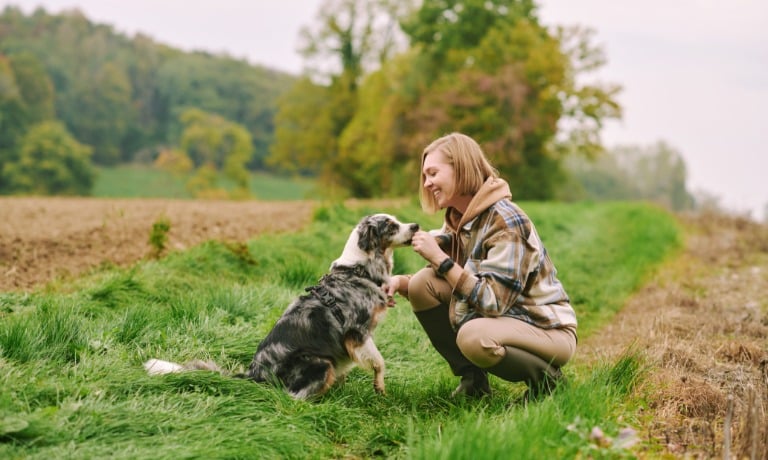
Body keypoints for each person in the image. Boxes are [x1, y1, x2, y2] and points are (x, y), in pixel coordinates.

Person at [385, 132, 577, 400]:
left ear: (460, 169)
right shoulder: (459, 219)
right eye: (425, 176)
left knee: (473, 337)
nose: (427, 183)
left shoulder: (506, 222)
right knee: (420, 286)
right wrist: (399, 283)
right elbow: (461, 277)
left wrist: (440, 259)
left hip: (546, 329)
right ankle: (474, 383)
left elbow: (491, 302)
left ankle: (548, 385)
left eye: (433, 173)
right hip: (512, 318)